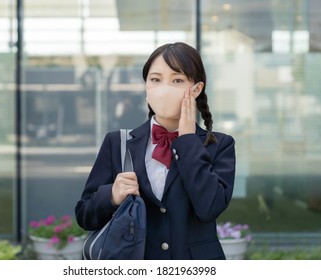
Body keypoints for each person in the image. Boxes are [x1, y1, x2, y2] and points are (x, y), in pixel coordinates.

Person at [75, 42, 236, 260]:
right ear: (146, 86)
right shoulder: (117, 143)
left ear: (196, 89)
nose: (163, 88)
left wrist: (187, 141)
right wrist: (111, 196)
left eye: (177, 80)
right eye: (155, 79)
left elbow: (209, 208)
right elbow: (85, 216)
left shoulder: (220, 145)